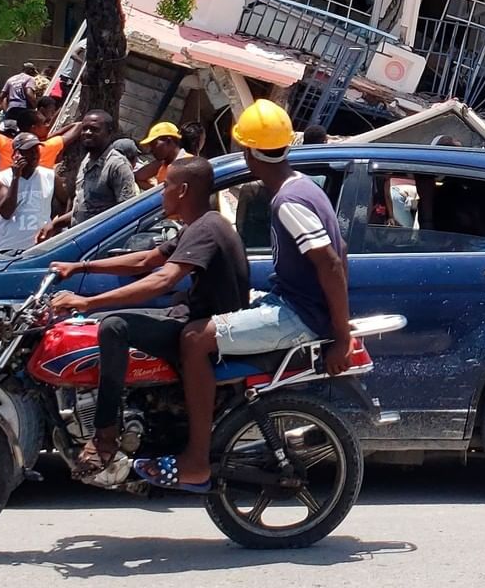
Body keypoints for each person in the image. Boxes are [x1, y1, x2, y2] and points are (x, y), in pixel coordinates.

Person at [135, 100, 352, 492]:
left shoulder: (288, 202)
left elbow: (331, 264)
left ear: (250, 152)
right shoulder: (305, 186)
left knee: (195, 338)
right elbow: (342, 252)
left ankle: (196, 461)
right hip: (294, 304)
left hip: (299, 315)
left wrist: (341, 335)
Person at [48, 158, 249, 477]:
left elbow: (163, 279)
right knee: (106, 320)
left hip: (204, 330)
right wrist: (80, 266)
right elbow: (146, 260)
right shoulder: (200, 225)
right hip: (190, 317)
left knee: (113, 327)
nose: (161, 192)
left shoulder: (206, 229)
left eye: (166, 185)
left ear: (182, 190)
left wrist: (87, 302)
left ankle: (105, 437)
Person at [37, 110, 138, 240]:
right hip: (77, 238)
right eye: (85, 129)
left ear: (109, 132)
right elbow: (84, 207)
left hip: (98, 242)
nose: (88, 133)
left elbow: (127, 212)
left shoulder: (117, 166)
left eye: (94, 129)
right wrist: (55, 224)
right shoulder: (87, 161)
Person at [0, 132, 56, 252]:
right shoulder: (2, 178)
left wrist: (54, 225)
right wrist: (15, 178)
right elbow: (6, 212)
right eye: (29, 151)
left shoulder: (49, 175)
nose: (35, 155)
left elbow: (66, 201)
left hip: (41, 249)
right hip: (10, 249)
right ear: (16, 154)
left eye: (36, 150)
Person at [0, 113, 81, 172]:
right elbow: (78, 126)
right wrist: (50, 136)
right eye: (44, 124)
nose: (47, 126)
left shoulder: (7, 144)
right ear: (34, 128)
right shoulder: (46, 147)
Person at [134, 122, 190, 190]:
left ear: (168, 141)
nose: (151, 150)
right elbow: (138, 177)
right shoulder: (163, 164)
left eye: (154, 144)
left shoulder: (189, 164)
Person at [0, 62, 39, 129]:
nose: (33, 74)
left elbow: (1, 96)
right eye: (33, 72)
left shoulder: (11, 79)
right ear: (30, 70)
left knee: (9, 129)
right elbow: (29, 93)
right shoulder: (30, 79)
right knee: (24, 130)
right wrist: (36, 106)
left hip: (11, 109)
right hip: (24, 110)